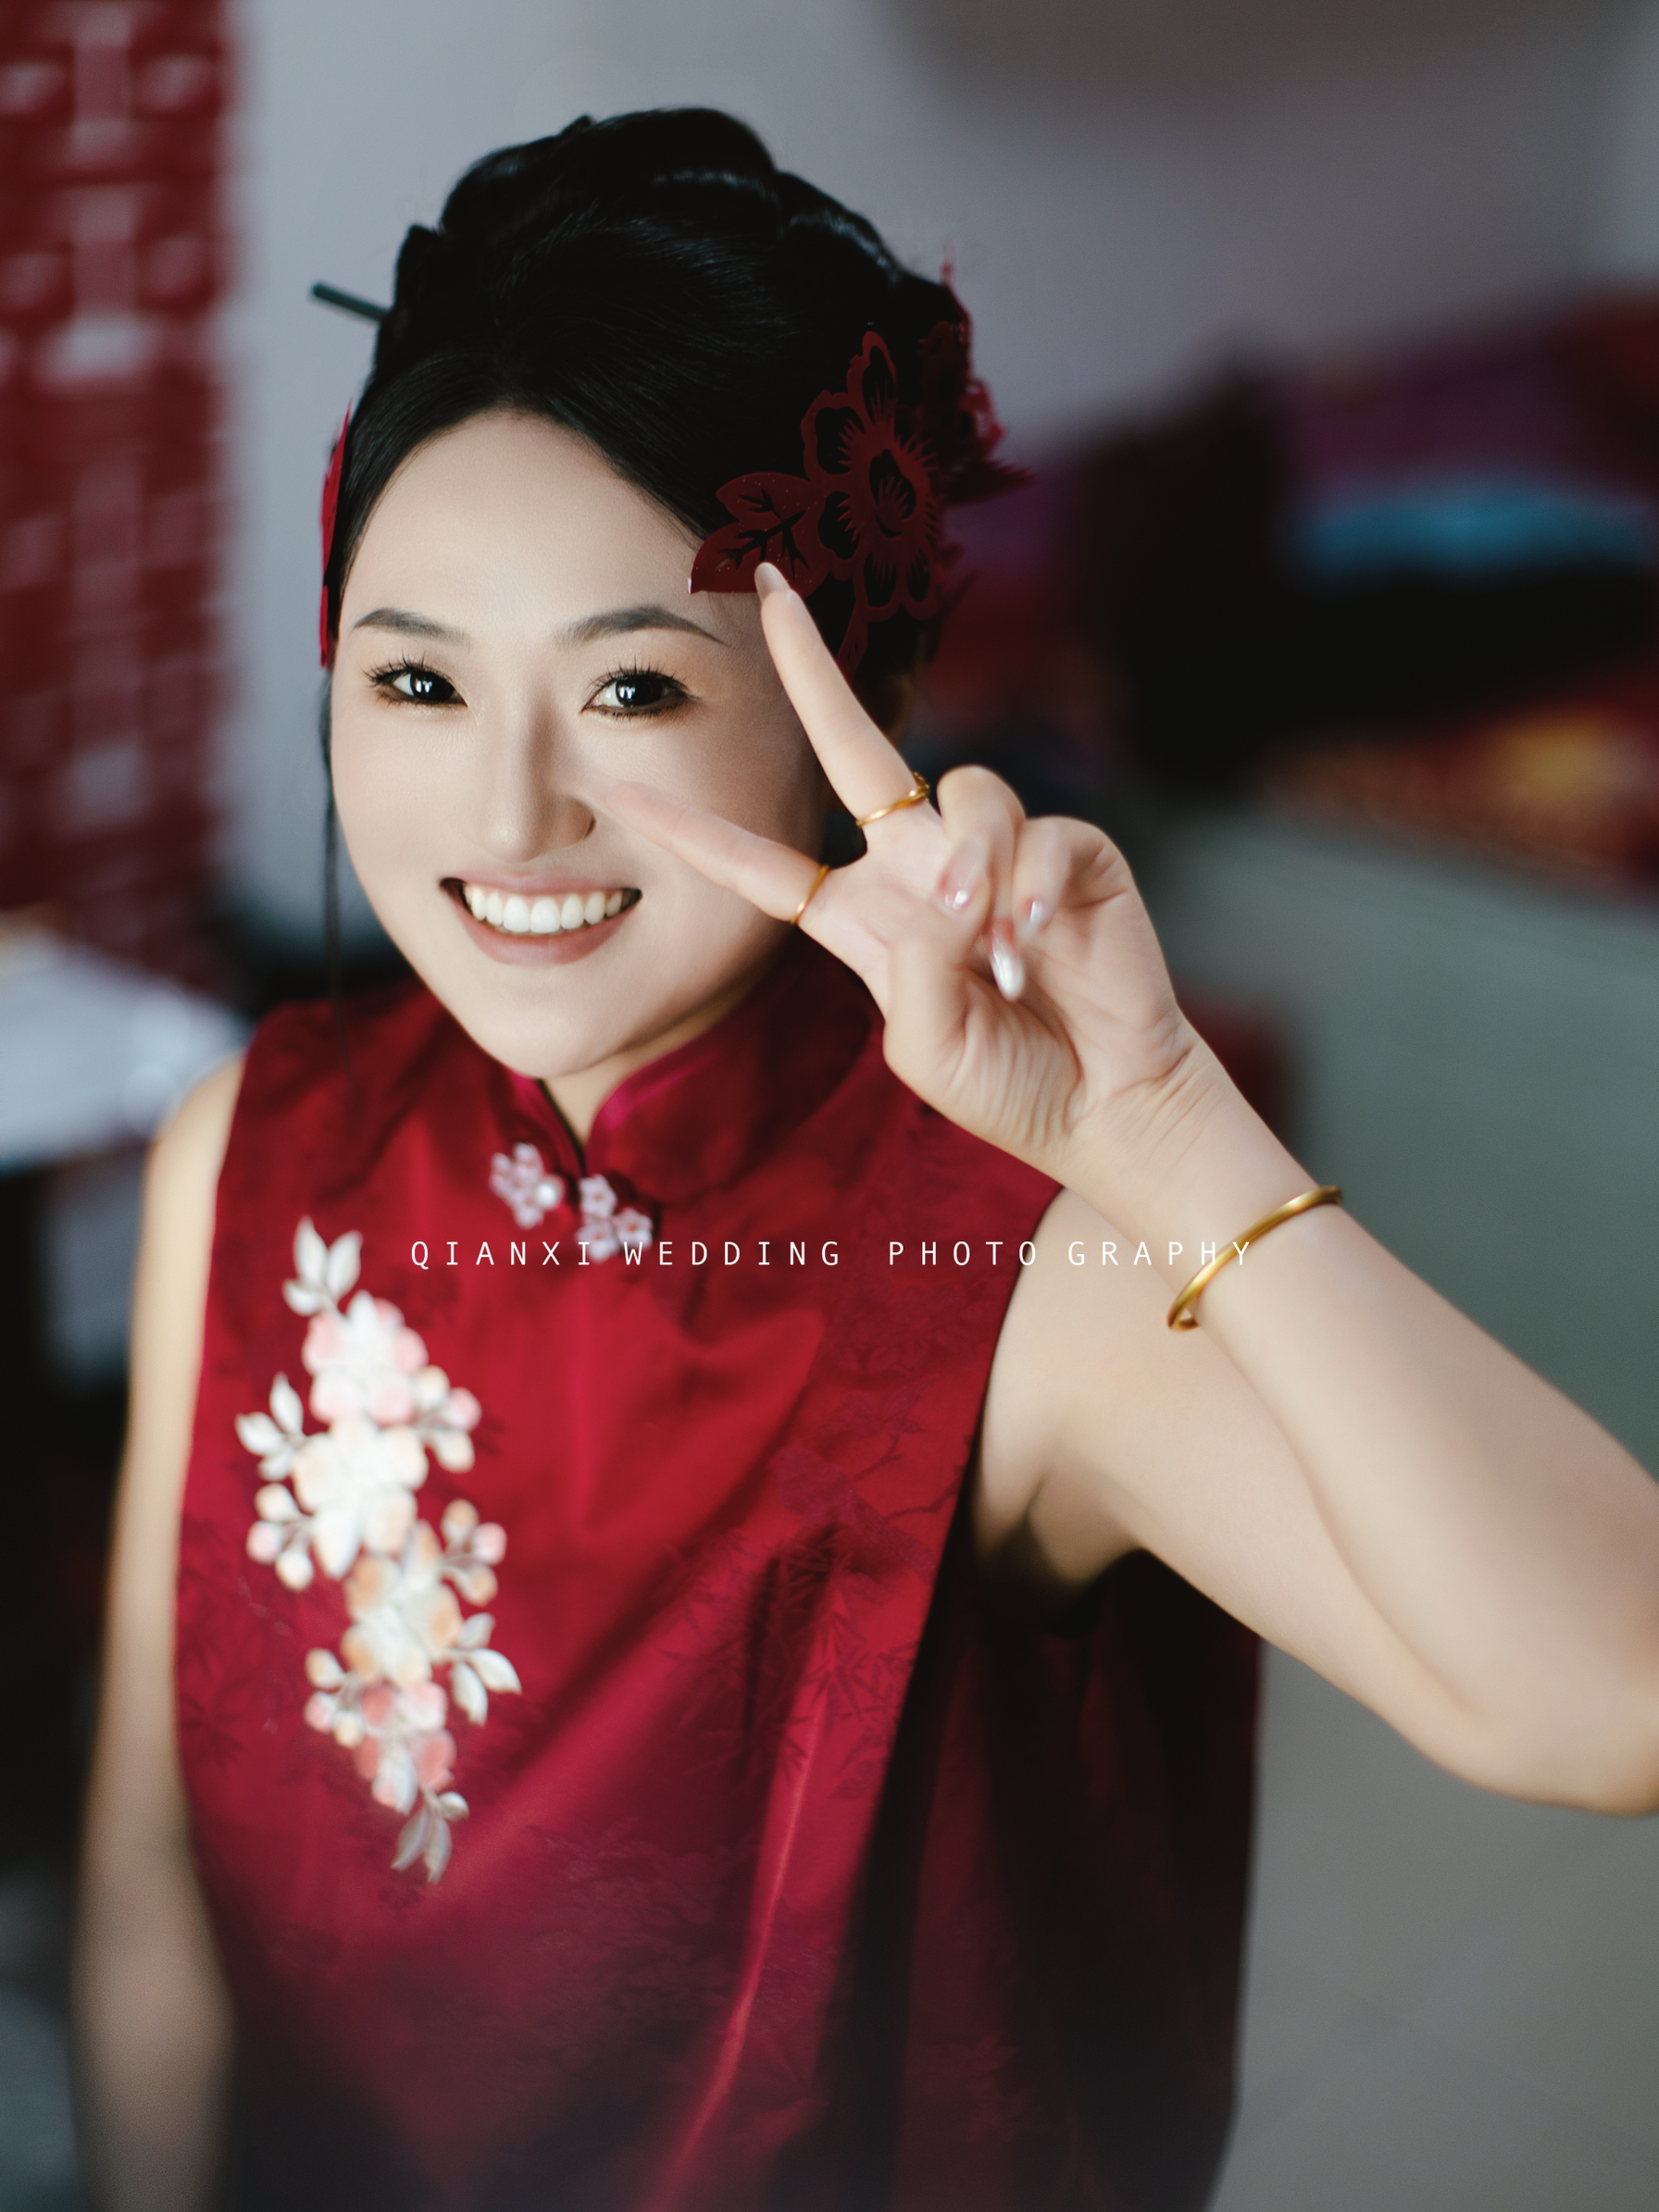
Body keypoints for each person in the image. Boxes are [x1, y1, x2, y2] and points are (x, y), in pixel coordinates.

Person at [72, 109, 1659, 2212]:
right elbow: (152, 1876)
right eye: (418, 679)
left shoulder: (1008, 1269)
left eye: (634, 688)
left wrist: (1166, 1128)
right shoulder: (255, 1146)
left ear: (868, 701)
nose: (508, 811)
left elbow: (1609, 1698)